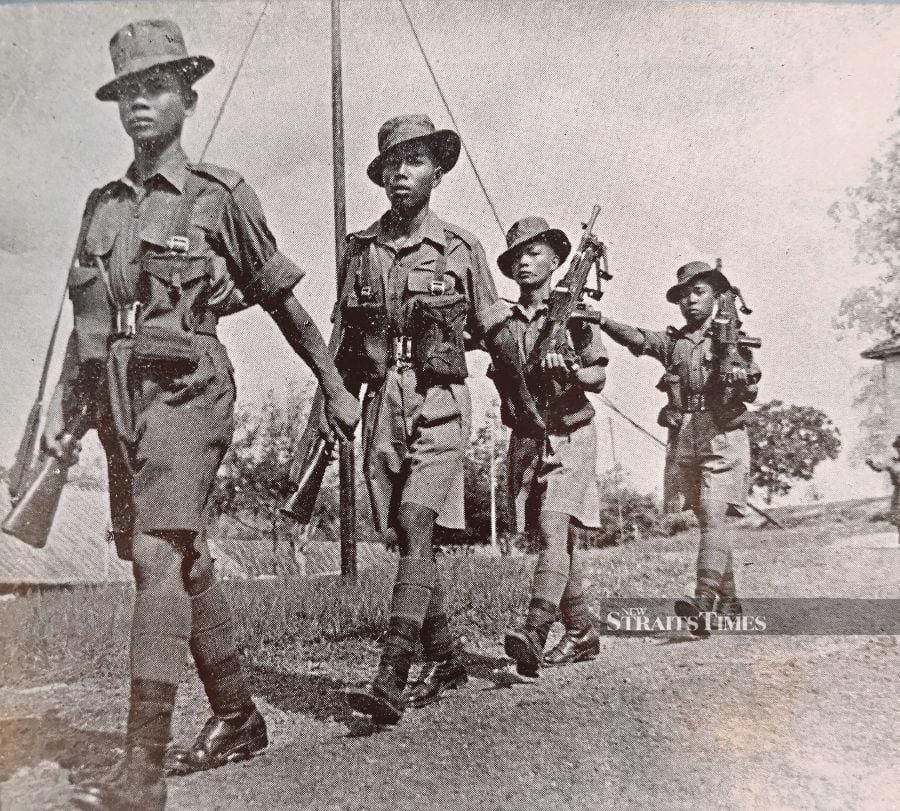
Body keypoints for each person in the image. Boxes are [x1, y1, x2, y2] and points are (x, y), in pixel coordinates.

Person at [45, 20, 359, 810]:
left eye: (153, 89)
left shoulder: (220, 196)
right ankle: (238, 716)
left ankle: (141, 769)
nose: (138, 105)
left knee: (156, 554)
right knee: (181, 562)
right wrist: (62, 415)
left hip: (190, 390)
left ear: (187, 96)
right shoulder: (103, 207)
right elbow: (85, 326)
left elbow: (282, 294)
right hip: (120, 401)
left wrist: (332, 383)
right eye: (126, 93)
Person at [341, 114, 544, 724]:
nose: (403, 172)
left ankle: (392, 671)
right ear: (382, 176)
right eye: (393, 163)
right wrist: (334, 402)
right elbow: (346, 339)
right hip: (382, 402)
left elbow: (495, 329)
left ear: (437, 171)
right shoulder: (361, 250)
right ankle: (447, 654)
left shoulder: (460, 248)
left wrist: (527, 401)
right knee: (405, 538)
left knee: (417, 518)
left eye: (416, 161)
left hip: (439, 400)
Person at [599, 261, 760, 633]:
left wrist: (738, 376)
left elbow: (751, 386)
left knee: (713, 513)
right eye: (683, 295)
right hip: (686, 432)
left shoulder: (732, 340)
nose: (689, 300)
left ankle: (703, 602)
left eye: (698, 292)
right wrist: (600, 320)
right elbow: (638, 338)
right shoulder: (674, 342)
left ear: (718, 296)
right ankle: (730, 602)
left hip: (723, 432)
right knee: (707, 517)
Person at [496, 217, 608, 677]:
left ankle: (535, 629)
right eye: (517, 256)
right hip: (528, 437)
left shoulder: (576, 315)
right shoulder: (502, 319)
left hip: (571, 435)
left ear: (557, 261)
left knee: (552, 523)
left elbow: (598, 377)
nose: (525, 261)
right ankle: (582, 631)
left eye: (536, 252)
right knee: (554, 540)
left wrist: (570, 373)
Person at [866, 435, 900, 544]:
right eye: (897, 447)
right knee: (896, 514)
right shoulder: (892, 462)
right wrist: (871, 464)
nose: (899, 449)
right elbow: (879, 468)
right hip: (898, 491)